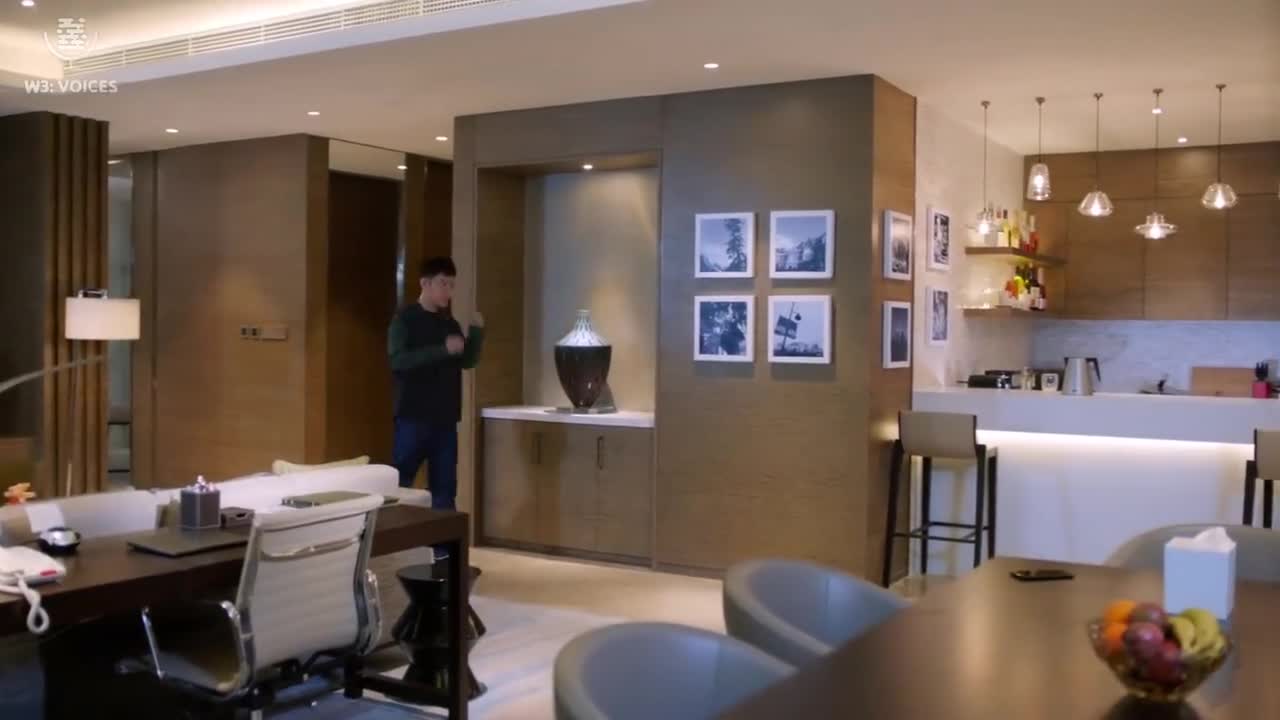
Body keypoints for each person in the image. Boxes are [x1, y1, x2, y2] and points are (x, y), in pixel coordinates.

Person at [388, 257, 483, 541]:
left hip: (445, 419)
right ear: (425, 283)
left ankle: (444, 556)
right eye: (443, 284)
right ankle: (393, 543)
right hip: (413, 416)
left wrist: (476, 335)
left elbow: (465, 361)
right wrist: (442, 349)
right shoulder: (405, 320)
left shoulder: (449, 322)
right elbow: (398, 361)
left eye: (452, 285)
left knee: (444, 491)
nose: (448, 291)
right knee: (400, 483)